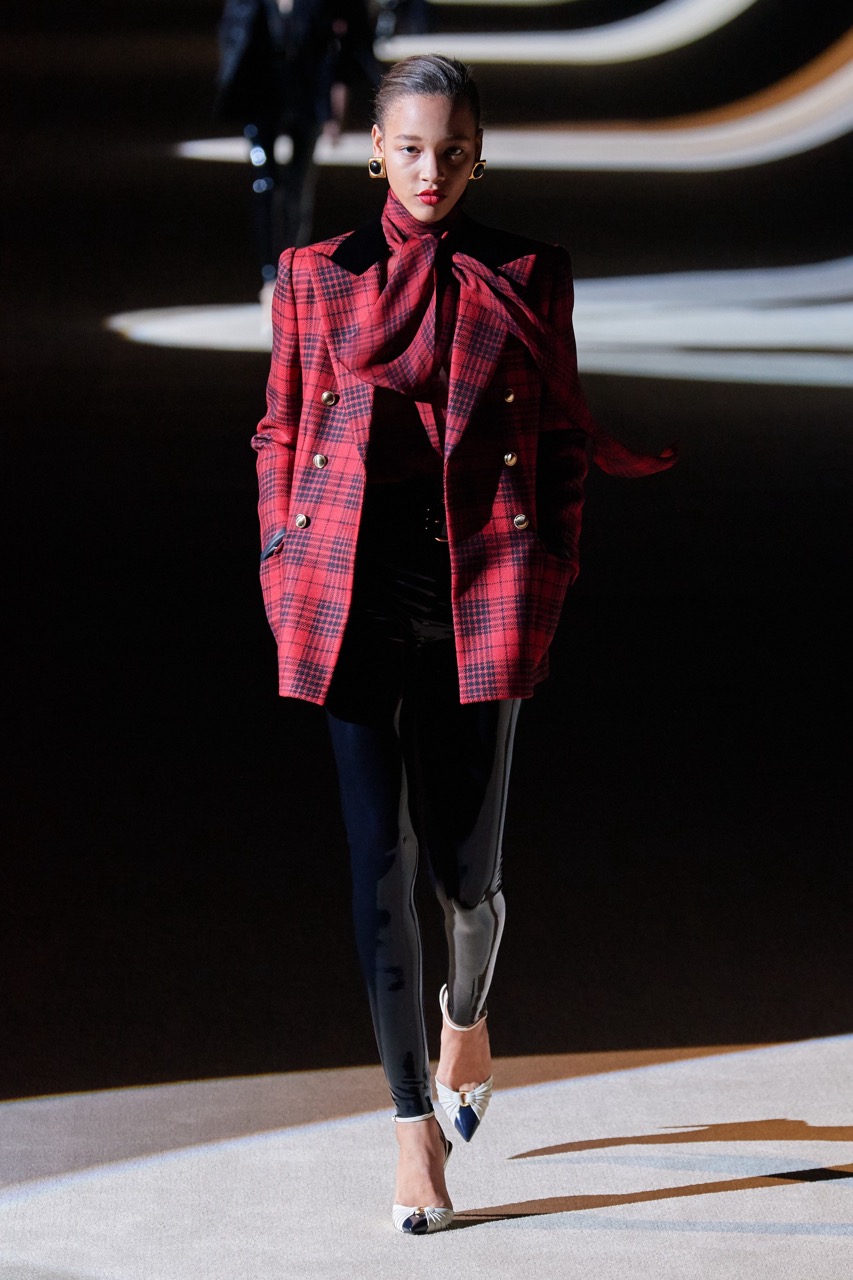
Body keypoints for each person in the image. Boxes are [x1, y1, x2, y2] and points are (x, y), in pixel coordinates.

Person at [252, 54, 675, 1234]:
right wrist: (281, 554)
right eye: (408, 150)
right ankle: (409, 1128)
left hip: (477, 594)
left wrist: (553, 565)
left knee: (463, 873)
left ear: (477, 157)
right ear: (374, 154)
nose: (428, 171)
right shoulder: (314, 276)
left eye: (449, 151)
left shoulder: (525, 274)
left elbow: (562, 441)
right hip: (345, 594)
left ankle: (468, 1015)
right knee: (374, 863)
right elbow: (277, 425)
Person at [214, 0, 379, 312]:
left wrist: (338, 92)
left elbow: (351, 27)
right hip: (260, 85)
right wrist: (231, 76)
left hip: (308, 84)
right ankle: (270, 276)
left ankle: (290, 270)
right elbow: (233, 24)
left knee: (299, 182)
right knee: (264, 180)